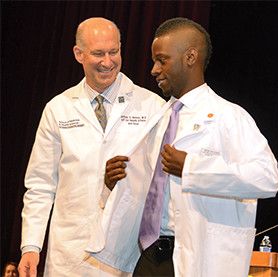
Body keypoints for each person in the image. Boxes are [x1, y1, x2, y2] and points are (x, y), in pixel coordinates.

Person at [108, 17, 278, 277]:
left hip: (200, 258)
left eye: (162, 60)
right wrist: (116, 183)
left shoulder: (229, 116)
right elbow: (152, 190)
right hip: (150, 257)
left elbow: (267, 179)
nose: (154, 70)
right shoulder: (159, 118)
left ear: (190, 57)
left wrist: (192, 168)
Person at [18, 17, 165, 277]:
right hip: (69, 253)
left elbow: (160, 187)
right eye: (98, 53)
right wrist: (31, 246)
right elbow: (40, 184)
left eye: (114, 52)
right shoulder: (58, 108)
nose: (108, 62)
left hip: (126, 254)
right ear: (79, 54)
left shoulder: (151, 106)